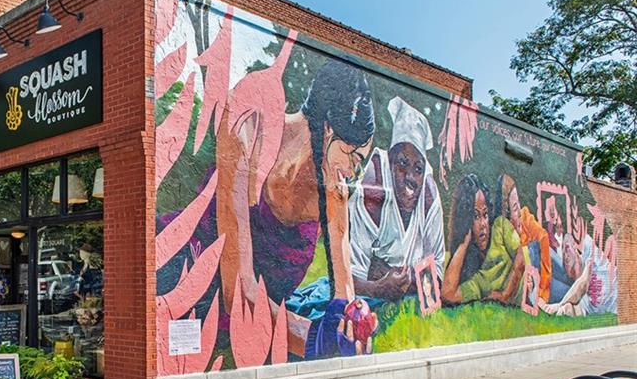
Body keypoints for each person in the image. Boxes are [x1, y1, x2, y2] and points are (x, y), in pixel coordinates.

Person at [217, 59, 375, 358]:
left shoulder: (333, 187)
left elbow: (345, 297)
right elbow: (236, 292)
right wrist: (314, 339)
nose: (354, 171)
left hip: (271, 322)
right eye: (352, 155)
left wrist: (352, 330)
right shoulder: (250, 131)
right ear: (327, 129)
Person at [348, 96, 445, 300]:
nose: (410, 177)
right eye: (402, 164)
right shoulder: (373, 188)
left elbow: (437, 275)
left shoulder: (429, 197)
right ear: (390, 162)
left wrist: (385, 273)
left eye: (418, 169)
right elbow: (349, 276)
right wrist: (377, 288)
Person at [441, 174, 525, 304]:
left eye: (485, 215)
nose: (483, 224)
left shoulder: (500, 226)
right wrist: (464, 243)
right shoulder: (477, 279)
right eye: (475, 216)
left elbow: (521, 260)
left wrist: (505, 295)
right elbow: (448, 293)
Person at [495, 175, 551, 302]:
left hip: (546, 263)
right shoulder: (505, 235)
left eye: (518, 204)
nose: (519, 212)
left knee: (531, 249)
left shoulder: (524, 216)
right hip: (537, 272)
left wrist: (543, 290)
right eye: (515, 208)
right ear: (507, 218)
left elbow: (543, 237)